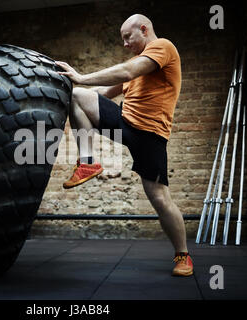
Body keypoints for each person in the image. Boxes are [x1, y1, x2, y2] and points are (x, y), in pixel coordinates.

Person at [55, 14, 193, 276]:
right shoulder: (135, 64)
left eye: (128, 37)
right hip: (124, 122)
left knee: (160, 198)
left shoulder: (162, 48)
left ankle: (183, 255)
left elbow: (128, 70)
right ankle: (87, 163)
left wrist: (81, 76)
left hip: (150, 136)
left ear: (144, 29)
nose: (125, 44)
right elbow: (102, 95)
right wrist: (64, 104)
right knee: (76, 97)